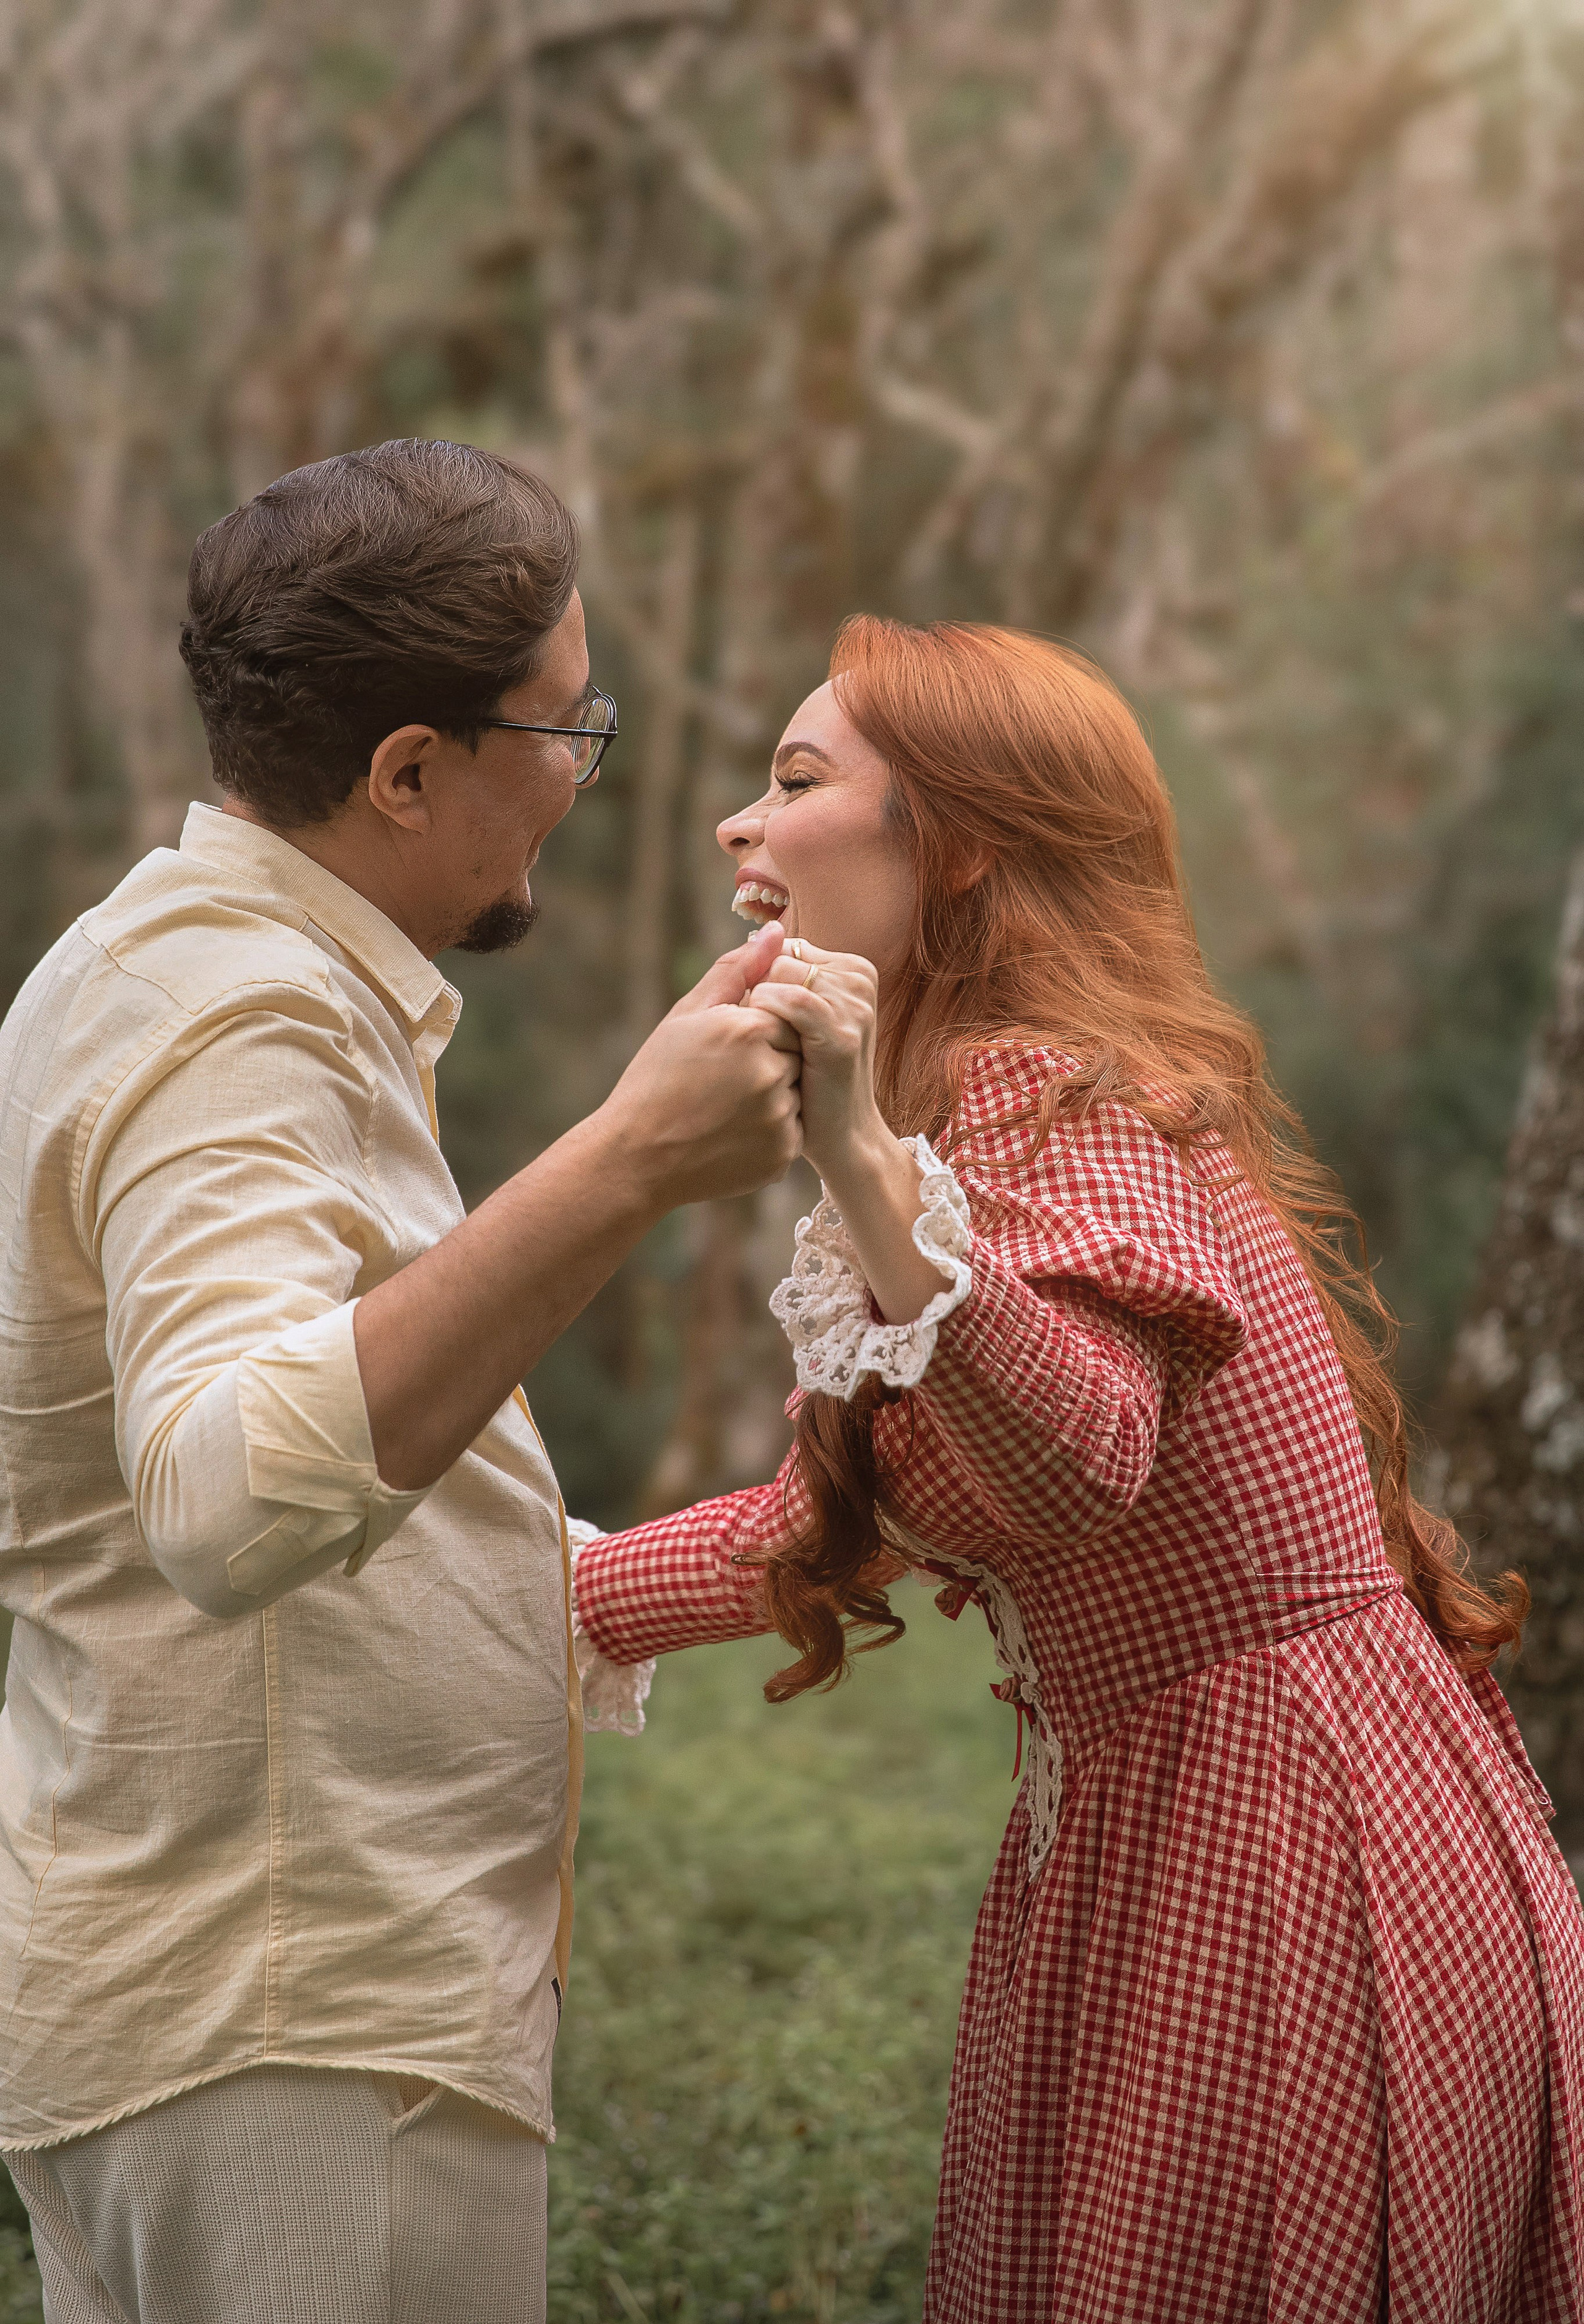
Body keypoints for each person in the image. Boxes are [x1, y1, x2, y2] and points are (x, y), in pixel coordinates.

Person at [569, 614, 1584, 2322]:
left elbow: (1082, 1456)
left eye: (798, 781)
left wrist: (872, 1171)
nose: (742, 825)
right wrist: (560, 1600)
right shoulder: (983, 1123)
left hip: (1289, 1847)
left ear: (954, 848)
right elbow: (863, 1517)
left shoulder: (1046, 1092)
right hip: (1200, 1828)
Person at [0, 438, 801, 2324]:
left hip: (233, 2016)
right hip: (290, 2036)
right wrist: (627, 1163)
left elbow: (247, 1476)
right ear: (410, 769)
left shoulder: (161, 973)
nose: (580, 781)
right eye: (564, 727)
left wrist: (759, 1550)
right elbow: (220, 1492)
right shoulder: (237, 1019)